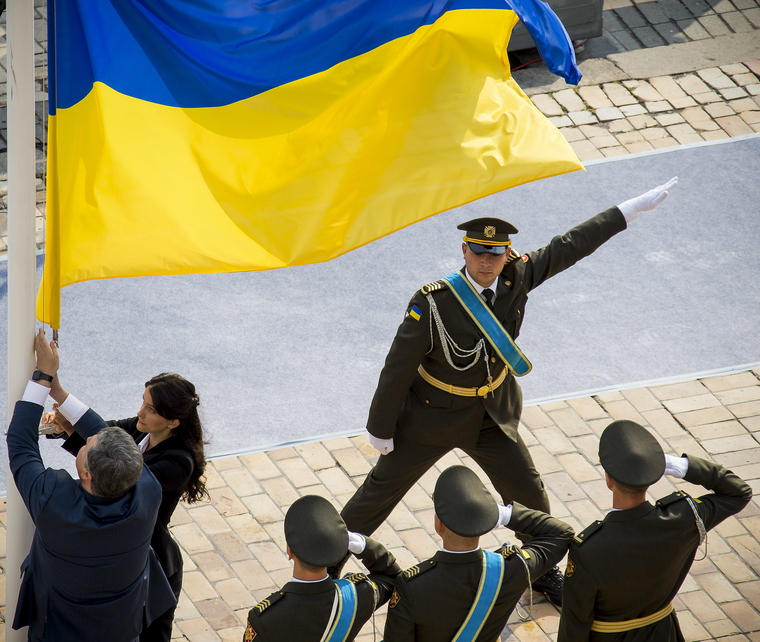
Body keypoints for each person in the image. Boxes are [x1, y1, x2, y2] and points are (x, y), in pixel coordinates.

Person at [339, 178, 679, 604]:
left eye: (496, 253)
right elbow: (396, 368)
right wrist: (380, 426)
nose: (487, 261)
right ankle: (321, 564)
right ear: (464, 251)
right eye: (479, 253)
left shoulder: (517, 276)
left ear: (506, 255)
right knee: (376, 497)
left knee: (530, 495)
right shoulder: (434, 302)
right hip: (431, 417)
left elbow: (569, 246)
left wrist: (627, 209)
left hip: (491, 417)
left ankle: (542, 571)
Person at [7, 330, 176, 641]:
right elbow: (103, 433)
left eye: (86, 446)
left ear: (87, 474)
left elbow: (20, 444)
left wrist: (43, 374)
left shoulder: (53, 502)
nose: (86, 440)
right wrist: (56, 390)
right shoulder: (147, 488)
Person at [47, 373, 209, 642]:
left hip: (152, 563)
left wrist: (60, 396)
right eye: (143, 403)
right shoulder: (138, 428)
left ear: (173, 422)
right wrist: (65, 426)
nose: (140, 412)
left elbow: (118, 476)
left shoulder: (178, 463)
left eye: (151, 409)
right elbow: (100, 435)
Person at [558, 419, 752, 641]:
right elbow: (739, 493)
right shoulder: (684, 518)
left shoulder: (588, 551)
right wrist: (677, 465)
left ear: (609, 480)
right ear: (651, 478)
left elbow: (574, 624)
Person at [383, 465, 574, 641]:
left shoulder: (412, 586)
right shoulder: (512, 569)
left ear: (439, 525)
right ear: (484, 524)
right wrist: (505, 514)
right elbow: (561, 533)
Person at [244, 494, 402, 641]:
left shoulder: (264, 618)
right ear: (335, 550)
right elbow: (392, 577)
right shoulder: (357, 596)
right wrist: (359, 544)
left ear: (290, 552)